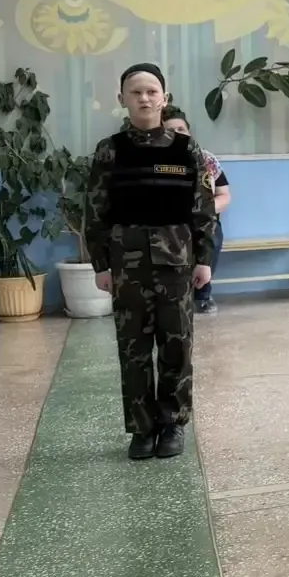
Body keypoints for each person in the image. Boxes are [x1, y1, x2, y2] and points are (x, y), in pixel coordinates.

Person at [84, 63, 217, 460]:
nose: (144, 98)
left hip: (177, 263)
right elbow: (95, 210)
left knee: (177, 345)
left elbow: (203, 208)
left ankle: (172, 424)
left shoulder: (186, 149)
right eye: (135, 92)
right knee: (134, 349)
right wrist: (101, 265)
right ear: (122, 99)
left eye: (151, 91)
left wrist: (204, 259)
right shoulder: (110, 150)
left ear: (164, 98)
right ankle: (141, 429)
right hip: (127, 266)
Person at [162, 106, 228, 313]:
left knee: (212, 232)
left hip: (202, 219)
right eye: (170, 131)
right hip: (167, 220)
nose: (177, 134)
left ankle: (202, 294)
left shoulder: (206, 159)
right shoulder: (155, 161)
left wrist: (203, 210)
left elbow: (224, 195)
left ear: (189, 132)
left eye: (181, 129)